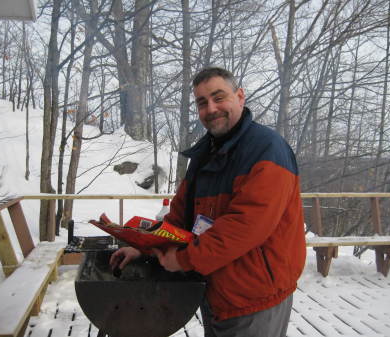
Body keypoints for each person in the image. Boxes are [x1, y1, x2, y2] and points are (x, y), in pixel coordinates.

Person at [110, 67, 306, 337]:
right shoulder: (206, 153)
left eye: (218, 97)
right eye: (202, 102)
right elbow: (179, 218)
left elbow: (244, 227)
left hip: (254, 297)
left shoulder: (267, 149)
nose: (211, 108)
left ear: (240, 97)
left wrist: (184, 259)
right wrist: (143, 247)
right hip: (215, 289)